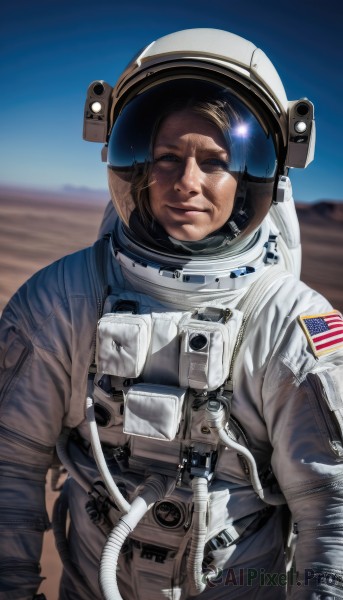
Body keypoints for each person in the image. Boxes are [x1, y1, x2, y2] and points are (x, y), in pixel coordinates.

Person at [1, 27, 343, 600]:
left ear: (253, 178)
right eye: (166, 158)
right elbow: (8, 466)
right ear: (135, 166)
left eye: (215, 162)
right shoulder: (60, 301)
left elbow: (332, 513)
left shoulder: (289, 323)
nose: (187, 184)